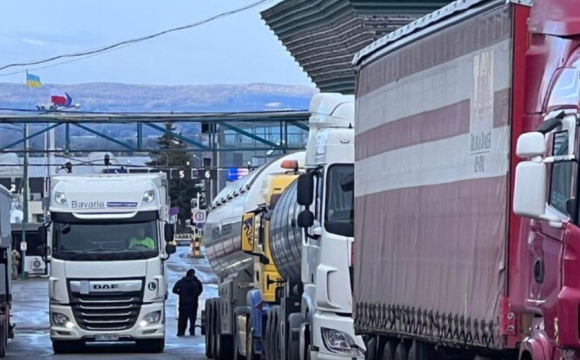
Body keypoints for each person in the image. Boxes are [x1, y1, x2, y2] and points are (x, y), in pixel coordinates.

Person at [172, 268, 203, 336]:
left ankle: (181, 331)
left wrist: (180, 293)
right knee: (192, 318)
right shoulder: (195, 282)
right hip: (193, 303)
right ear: (193, 274)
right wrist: (195, 295)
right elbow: (200, 289)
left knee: (182, 318)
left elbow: (174, 290)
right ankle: (192, 330)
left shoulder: (181, 281)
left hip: (183, 303)